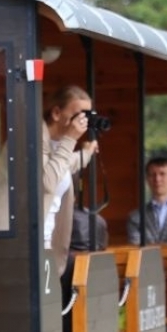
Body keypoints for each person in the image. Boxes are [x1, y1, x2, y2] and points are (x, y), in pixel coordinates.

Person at [42, 86, 99, 267]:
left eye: (87, 116)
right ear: (57, 113)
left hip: (48, 239)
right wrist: (70, 139)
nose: (82, 122)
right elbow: (47, 181)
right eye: (78, 115)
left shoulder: (58, 146)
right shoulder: (35, 138)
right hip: (28, 243)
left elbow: (64, 164)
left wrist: (87, 153)